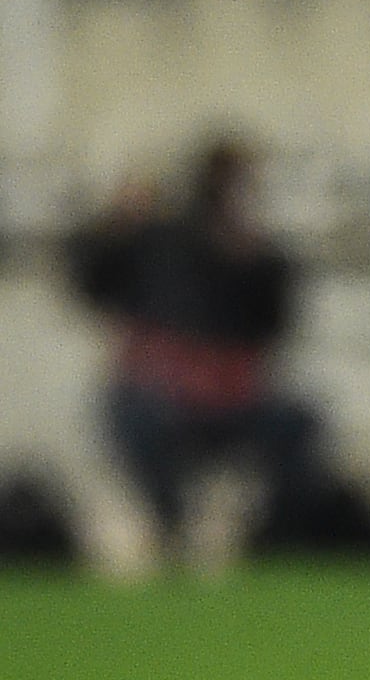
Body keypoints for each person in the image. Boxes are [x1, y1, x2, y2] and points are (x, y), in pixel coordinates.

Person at [64, 137, 325, 565]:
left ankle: (272, 536)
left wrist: (252, 259)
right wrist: (116, 223)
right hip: (165, 395)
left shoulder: (257, 251)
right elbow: (90, 280)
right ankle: (170, 524)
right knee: (129, 412)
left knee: (301, 420)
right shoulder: (157, 240)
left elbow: (277, 321)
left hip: (235, 398)